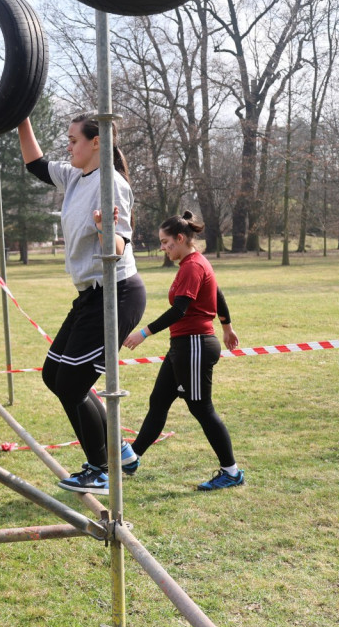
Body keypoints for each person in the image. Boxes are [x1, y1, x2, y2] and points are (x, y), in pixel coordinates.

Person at [17, 113, 146, 496]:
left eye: (74, 140)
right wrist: (21, 115)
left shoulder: (112, 185)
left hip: (117, 293)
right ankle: (119, 451)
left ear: (97, 144)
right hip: (90, 295)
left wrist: (107, 229)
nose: (69, 146)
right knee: (54, 376)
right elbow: (35, 164)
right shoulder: (75, 175)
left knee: (72, 383)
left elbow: (122, 245)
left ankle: (101, 470)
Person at [122, 211, 244, 491]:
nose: (163, 248)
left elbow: (180, 309)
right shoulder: (193, 263)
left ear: (181, 238)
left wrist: (143, 332)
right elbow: (218, 293)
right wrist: (226, 326)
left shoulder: (192, 266)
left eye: (166, 243)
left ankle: (232, 472)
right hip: (182, 346)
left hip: (195, 345)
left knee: (202, 409)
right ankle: (132, 458)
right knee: (159, 400)